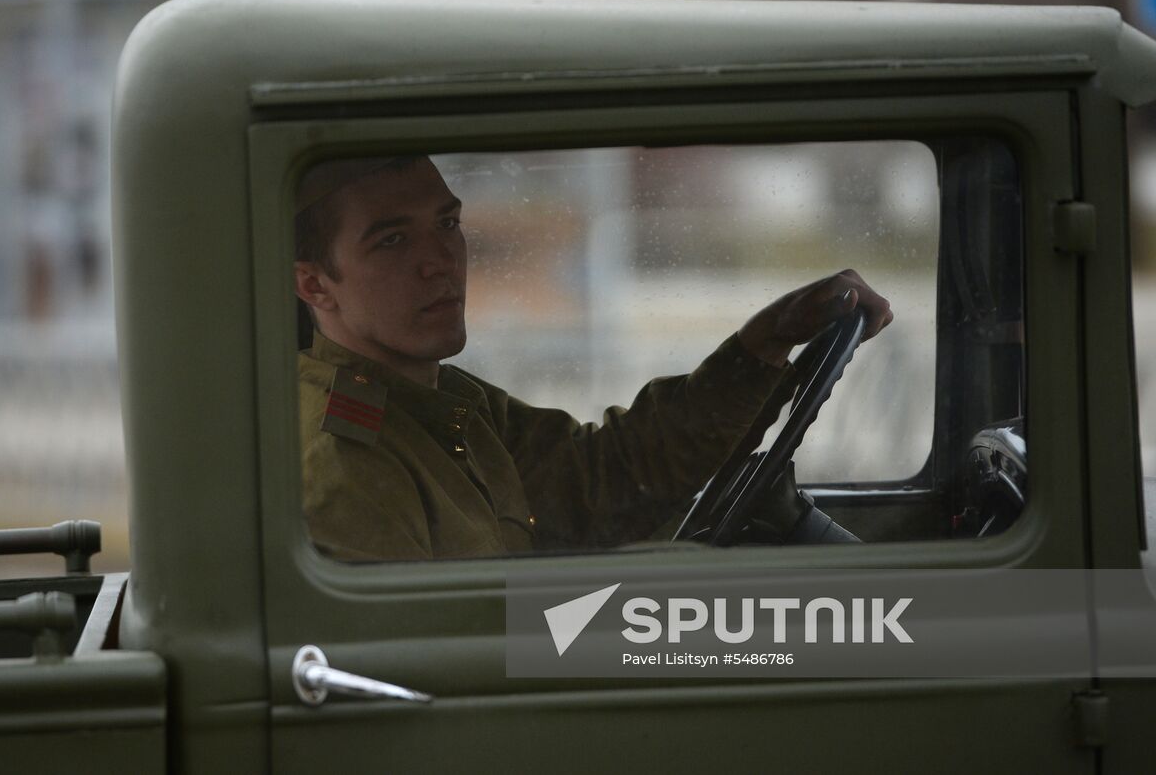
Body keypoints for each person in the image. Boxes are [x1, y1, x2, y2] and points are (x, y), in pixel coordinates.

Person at [294, 156, 892, 561]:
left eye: (447, 223)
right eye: (393, 240)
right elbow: (429, 661)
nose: (441, 261)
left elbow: (605, 476)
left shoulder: (444, 402)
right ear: (314, 284)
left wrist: (767, 341)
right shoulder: (344, 464)